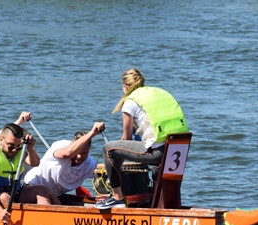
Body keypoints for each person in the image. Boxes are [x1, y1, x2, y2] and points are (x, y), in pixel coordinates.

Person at [97, 68, 188, 209]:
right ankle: (161, 205)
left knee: (109, 149)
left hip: (157, 152)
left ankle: (117, 197)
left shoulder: (130, 102)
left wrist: (116, 165)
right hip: (177, 149)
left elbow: (125, 139)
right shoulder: (156, 94)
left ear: (125, 86)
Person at [0, 121, 54, 225]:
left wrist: (30, 148)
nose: (14, 150)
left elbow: (35, 163)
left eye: (18, 146)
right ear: (1, 139)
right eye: (11, 146)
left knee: (41, 190)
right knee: (4, 197)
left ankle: (45, 223)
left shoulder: (20, 148)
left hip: (12, 191)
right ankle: (19, 224)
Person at [23, 121, 105, 204]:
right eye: (78, 152)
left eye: (84, 153)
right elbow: (68, 153)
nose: (79, 157)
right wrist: (93, 133)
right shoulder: (60, 146)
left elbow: (104, 171)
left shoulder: (88, 163)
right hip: (31, 187)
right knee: (47, 195)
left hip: (55, 195)